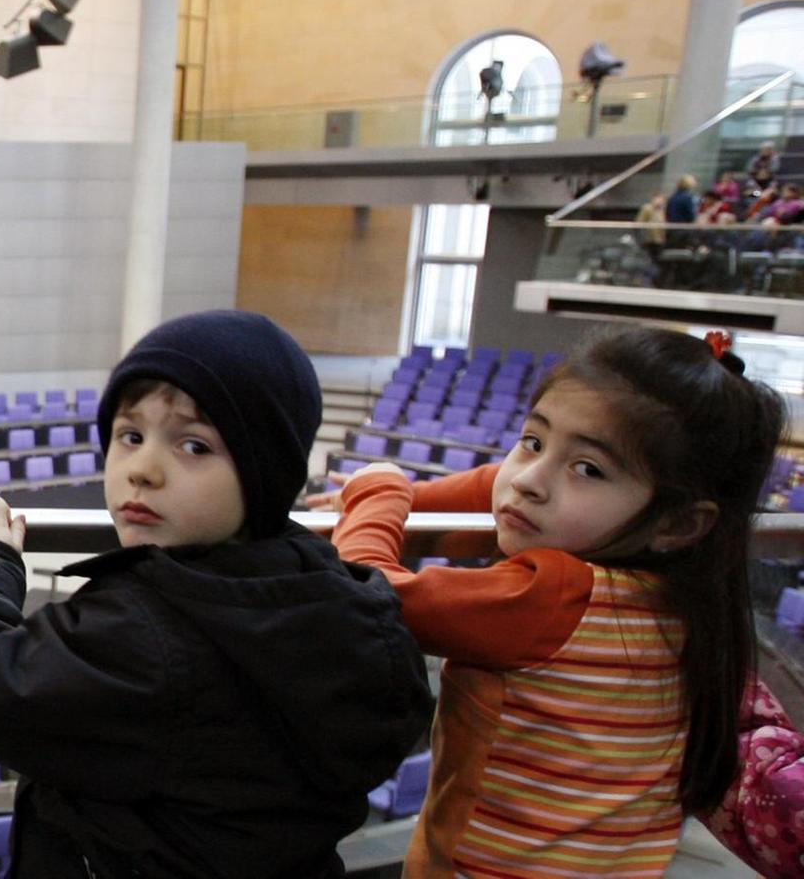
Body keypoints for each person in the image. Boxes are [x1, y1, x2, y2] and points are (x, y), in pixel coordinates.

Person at [0, 310, 433, 877]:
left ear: (263, 474)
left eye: (193, 446)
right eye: (130, 436)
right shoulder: (334, 596)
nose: (143, 469)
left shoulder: (145, 634)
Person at [326, 327, 782, 876]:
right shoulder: (688, 591)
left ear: (680, 522)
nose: (530, 482)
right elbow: (511, 483)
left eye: (587, 468)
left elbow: (366, 594)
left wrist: (380, 491)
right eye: (533, 441)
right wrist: (422, 499)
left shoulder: (550, 602)